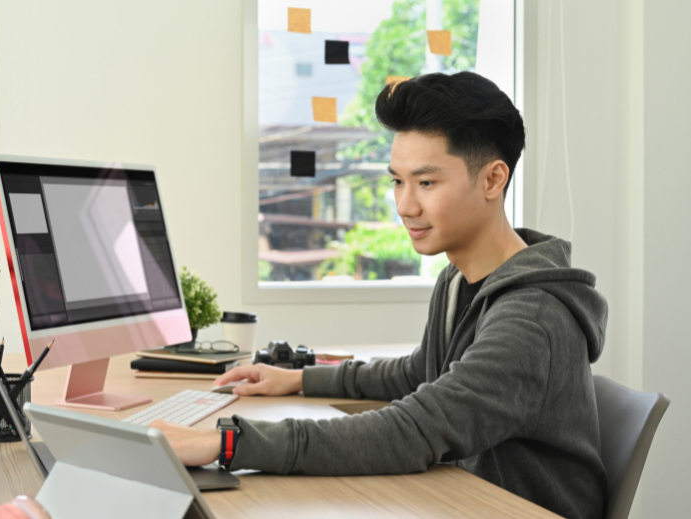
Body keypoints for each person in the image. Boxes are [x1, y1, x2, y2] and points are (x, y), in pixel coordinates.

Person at [150, 71, 607, 519]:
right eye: (397, 181)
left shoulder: (533, 319)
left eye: (426, 183)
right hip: (461, 497)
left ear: (492, 180)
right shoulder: (458, 278)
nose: (405, 206)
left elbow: (416, 428)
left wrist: (229, 441)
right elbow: (417, 375)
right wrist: (302, 378)